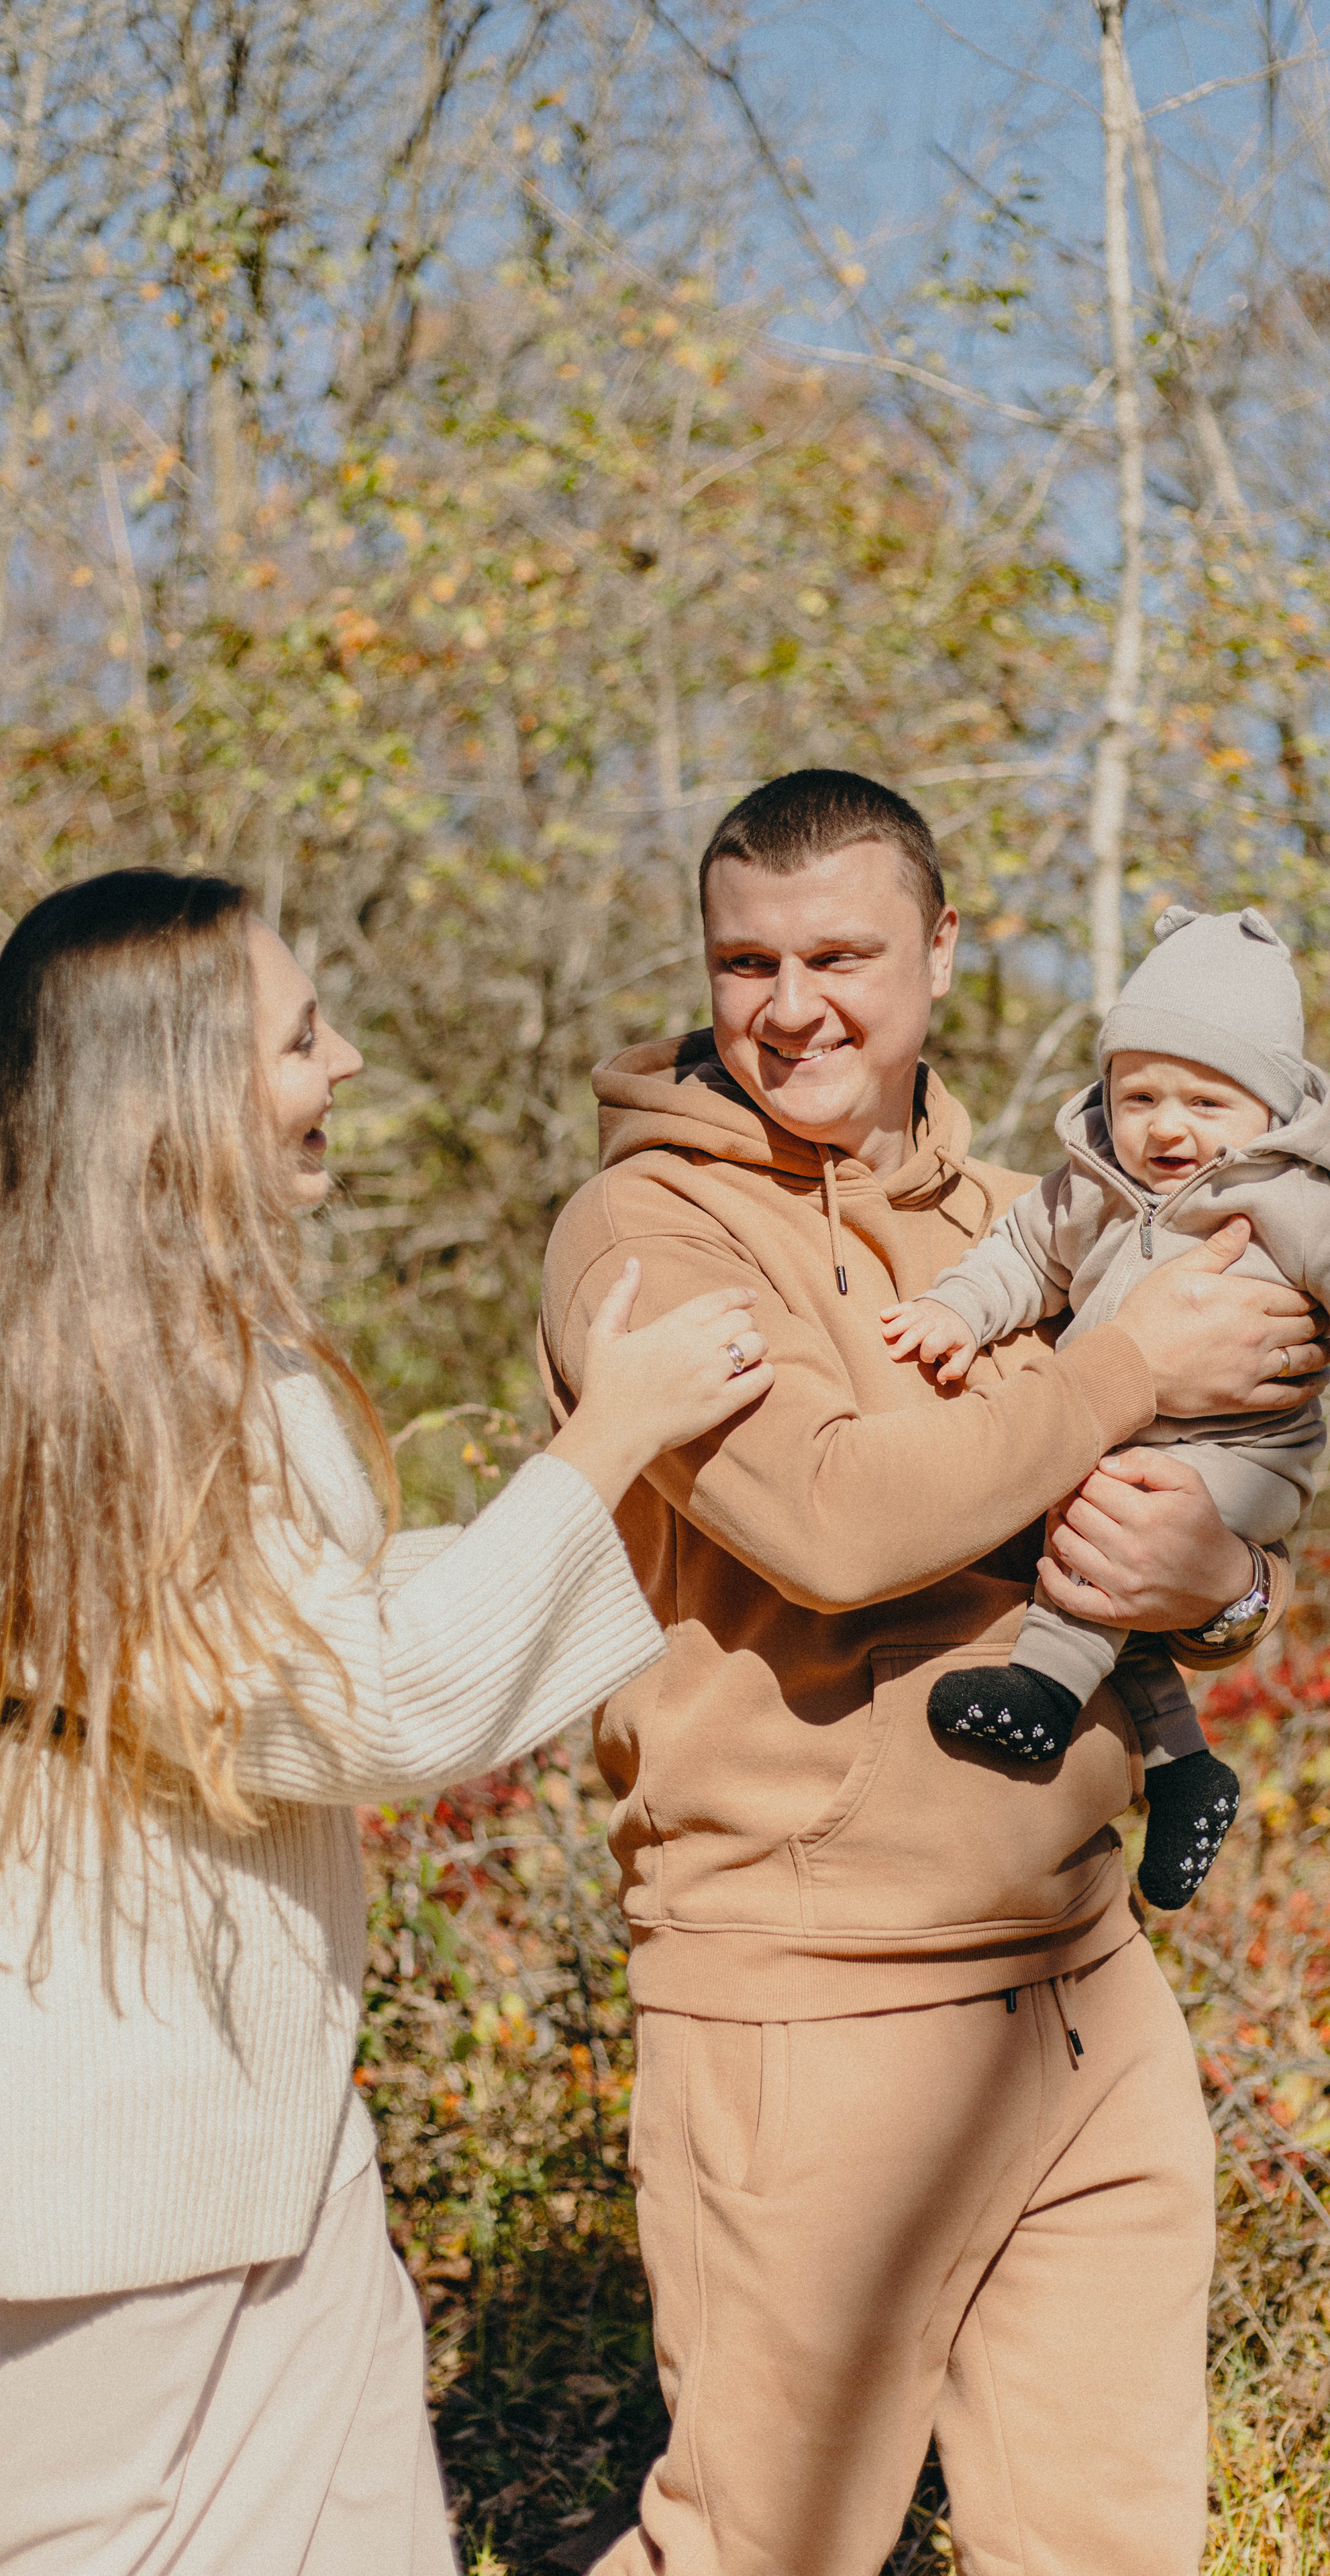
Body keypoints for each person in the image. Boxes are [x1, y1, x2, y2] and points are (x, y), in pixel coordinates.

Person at [537, 770, 1330, 2576]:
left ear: (942, 952)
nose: (789, 1006)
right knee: (761, 2552)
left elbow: (1195, 1506)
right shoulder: (650, 1233)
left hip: (1082, 1983)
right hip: (813, 2000)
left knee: (1112, 2546)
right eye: (747, 962)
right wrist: (1126, 1367)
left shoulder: (1037, 1211)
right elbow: (832, 1524)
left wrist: (1223, 1588)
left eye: (839, 955)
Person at [0, 869, 772, 2576]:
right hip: (105, 2173)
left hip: (260, 2119)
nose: (344, 1061)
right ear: (173, 1089)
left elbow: (301, 1616)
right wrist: (610, 1440)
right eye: (299, 1038)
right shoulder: (87, 1384)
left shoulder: (186, 1344)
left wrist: (631, 1508)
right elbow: (362, 1697)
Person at [884, 902, 1330, 1909]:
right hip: (1134, 1428)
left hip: (1247, 1454)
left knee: (1102, 1522)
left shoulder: (1299, 1207)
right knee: (1112, 1557)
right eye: (1139, 1095)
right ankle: (1184, 1770)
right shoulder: (1091, 1185)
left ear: (1272, 1110)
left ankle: (1043, 1691)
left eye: (1206, 1100)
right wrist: (956, 1309)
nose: (1167, 1126)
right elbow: (1020, 1255)